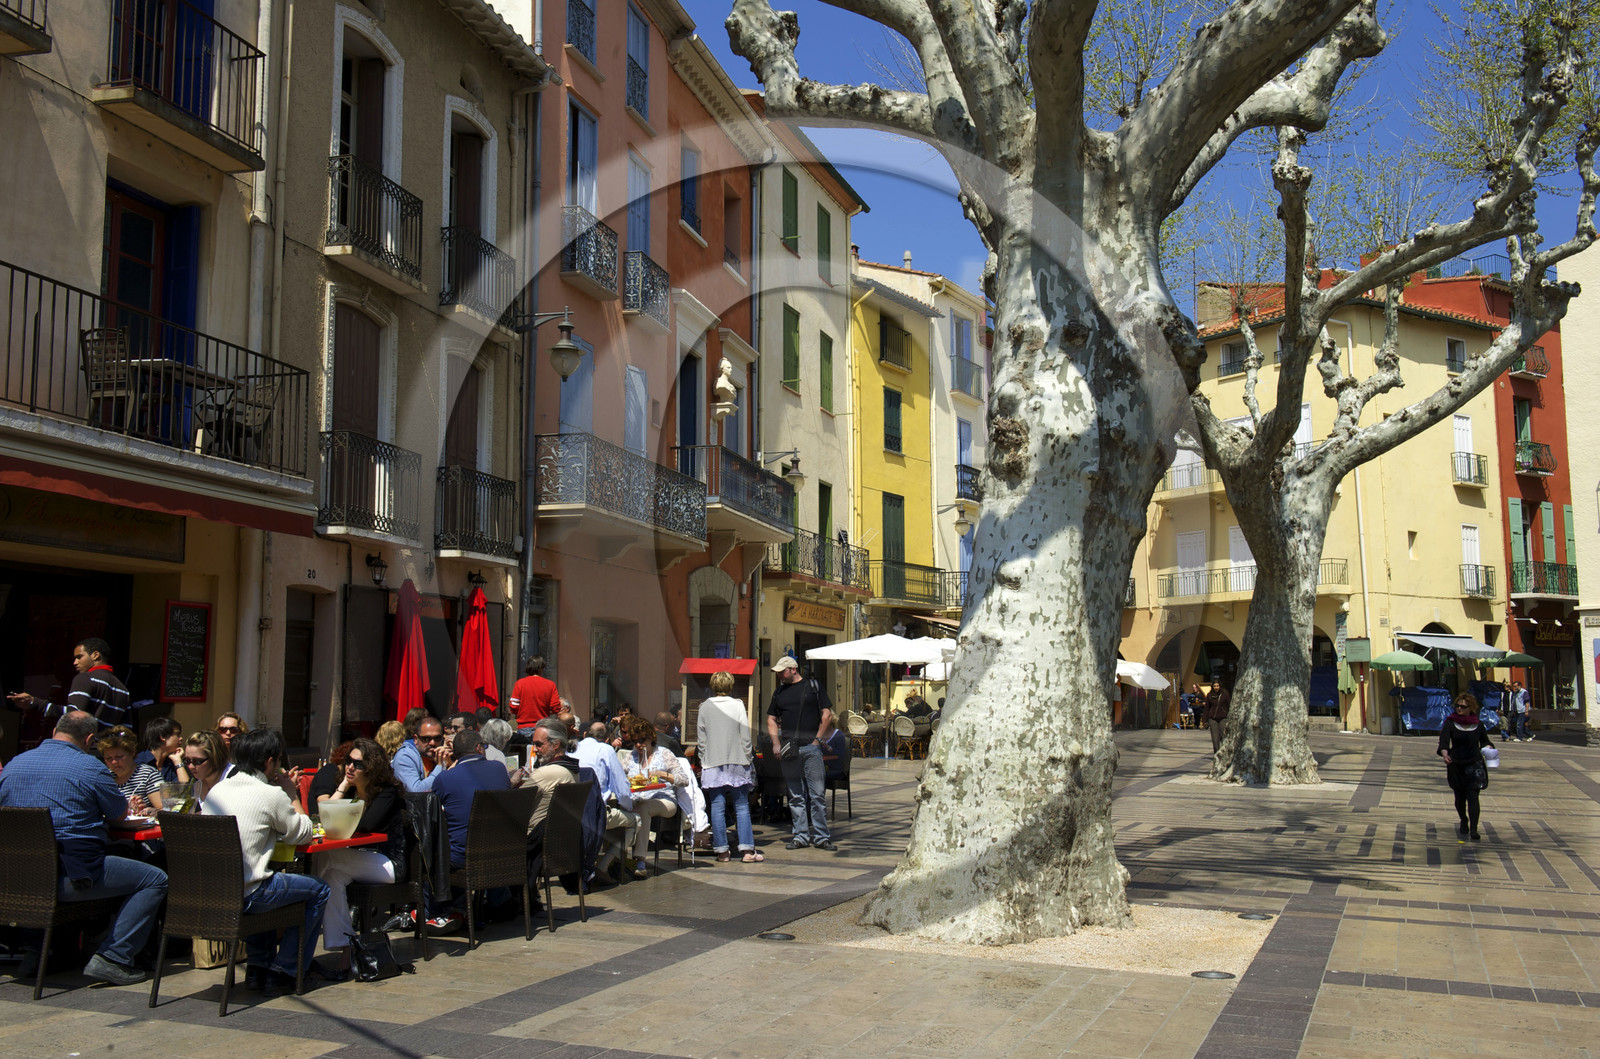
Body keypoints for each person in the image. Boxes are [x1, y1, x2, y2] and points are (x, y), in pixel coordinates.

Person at [0, 710, 169, 985]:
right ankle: (113, 957)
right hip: (71, 877)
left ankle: (38, 952)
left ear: (55, 730)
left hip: (15, 878)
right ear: (90, 739)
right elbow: (117, 814)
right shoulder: (90, 768)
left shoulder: (14, 765)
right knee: (155, 878)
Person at [202, 728, 330, 993]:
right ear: (271, 761)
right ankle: (286, 970)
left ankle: (259, 967)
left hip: (211, 896)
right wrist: (290, 793)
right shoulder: (270, 794)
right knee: (319, 889)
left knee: (267, 877)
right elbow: (303, 833)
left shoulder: (217, 791)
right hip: (248, 895)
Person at [312, 737, 404, 972]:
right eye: (349, 761)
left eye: (358, 764)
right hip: (360, 861)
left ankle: (309, 922)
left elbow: (365, 824)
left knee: (326, 859)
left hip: (389, 863)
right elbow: (327, 817)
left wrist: (340, 813)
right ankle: (346, 949)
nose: (351, 767)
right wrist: (343, 786)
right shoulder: (352, 792)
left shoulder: (387, 792)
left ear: (372, 768)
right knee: (331, 877)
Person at [429, 728, 511, 933]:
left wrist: (445, 766)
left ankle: (437, 911)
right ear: (478, 748)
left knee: (430, 851)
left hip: (464, 856)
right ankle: (493, 905)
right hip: (502, 852)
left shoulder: (446, 778)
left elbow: (431, 808)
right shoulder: (499, 768)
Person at [766, 656, 835, 851]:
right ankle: (801, 836)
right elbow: (771, 719)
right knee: (795, 795)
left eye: (782, 671)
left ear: (793, 669)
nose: (779, 675)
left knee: (817, 795)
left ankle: (821, 836)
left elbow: (827, 714)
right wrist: (776, 743)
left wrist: (817, 740)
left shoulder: (814, 686)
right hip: (790, 750)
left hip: (811, 748)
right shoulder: (779, 692)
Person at [697, 671, 761, 864]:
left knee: (717, 806)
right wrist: (748, 756)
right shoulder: (738, 705)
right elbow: (745, 735)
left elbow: (702, 739)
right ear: (730, 686)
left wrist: (703, 759)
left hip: (712, 761)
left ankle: (722, 851)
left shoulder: (704, 707)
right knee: (741, 806)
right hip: (737, 759)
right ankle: (747, 850)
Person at [7, 637, 132, 730]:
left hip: (84, 748)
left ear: (95, 655)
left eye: (79, 657)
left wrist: (35, 703)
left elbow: (74, 715)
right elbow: (126, 728)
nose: (75, 662)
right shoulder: (123, 689)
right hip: (108, 754)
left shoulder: (84, 678)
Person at [620, 714, 686, 877]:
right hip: (636, 799)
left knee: (643, 807)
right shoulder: (631, 756)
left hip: (664, 799)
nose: (638, 745)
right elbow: (619, 777)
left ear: (651, 738)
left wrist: (663, 774)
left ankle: (640, 861)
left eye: (641, 741)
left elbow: (683, 780)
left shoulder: (664, 754)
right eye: (635, 741)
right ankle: (614, 860)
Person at [575, 721, 637, 878]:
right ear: (608, 739)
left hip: (571, 813)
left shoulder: (572, 748)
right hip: (595, 815)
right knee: (636, 820)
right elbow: (622, 789)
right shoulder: (606, 750)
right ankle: (604, 866)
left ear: (584, 735)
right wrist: (628, 807)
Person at [1437, 692, 1493, 841]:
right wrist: (1444, 754)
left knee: (1473, 797)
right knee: (1460, 798)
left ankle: (1474, 829)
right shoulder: (1450, 722)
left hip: (1474, 765)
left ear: (1471, 709)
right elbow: (1443, 742)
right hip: (1457, 765)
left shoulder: (1478, 724)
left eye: (1463, 706)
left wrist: (1488, 748)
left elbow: (1485, 741)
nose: (1459, 708)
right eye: (1457, 706)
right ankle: (1463, 819)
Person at [97, 725, 164, 814]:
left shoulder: (148, 775)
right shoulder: (106, 777)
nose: (114, 762)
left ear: (132, 753)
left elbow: (164, 810)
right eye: (108, 758)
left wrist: (147, 810)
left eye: (119, 757)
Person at [393, 716, 451, 792]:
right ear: (416, 739)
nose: (432, 743)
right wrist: (440, 766)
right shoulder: (404, 756)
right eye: (426, 739)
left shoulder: (438, 754)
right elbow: (416, 791)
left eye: (437, 738)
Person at [509, 655, 560, 731]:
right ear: (541, 668)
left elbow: (513, 707)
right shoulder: (550, 685)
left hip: (524, 726)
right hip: (543, 727)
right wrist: (545, 710)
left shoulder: (520, 683)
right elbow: (556, 708)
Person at [135, 717, 188, 783]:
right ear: (162, 737)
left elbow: (185, 788)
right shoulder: (138, 762)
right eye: (177, 735)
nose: (181, 738)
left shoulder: (172, 763)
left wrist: (178, 762)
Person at [183, 730, 230, 801]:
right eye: (187, 761)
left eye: (197, 761)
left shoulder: (234, 779)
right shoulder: (195, 783)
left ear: (215, 758)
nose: (191, 767)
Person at [1203, 679, 1231, 754]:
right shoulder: (1209, 695)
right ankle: (1217, 753)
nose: (1216, 687)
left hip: (1223, 717)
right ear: (1212, 687)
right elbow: (1206, 708)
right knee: (1215, 737)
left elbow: (1229, 705)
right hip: (1212, 718)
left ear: (1220, 686)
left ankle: (1225, 752)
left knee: (1223, 735)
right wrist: (1204, 720)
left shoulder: (1225, 694)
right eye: (1215, 686)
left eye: (1217, 686)